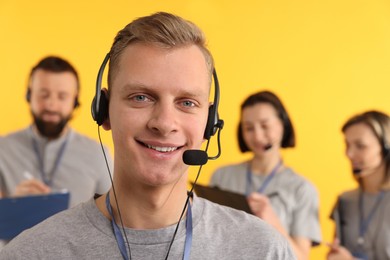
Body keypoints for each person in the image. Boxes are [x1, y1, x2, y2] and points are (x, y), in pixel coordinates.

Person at [0, 12, 295, 259]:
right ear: (104, 111)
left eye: (187, 102)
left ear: (210, 122)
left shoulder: (264, 251)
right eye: (141, 97)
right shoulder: (31, 253)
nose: (165, 123)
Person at [210, 90, 321, 260]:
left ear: (283, 123)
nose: (257, 136)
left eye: (265, 125)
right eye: (248, 128)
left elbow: (301, 258)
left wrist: (273, 222)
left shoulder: (302, 189)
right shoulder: (222, 176)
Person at [0, 56, 112, 207]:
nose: (51, 105)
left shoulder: (99, 154)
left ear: (75, 101)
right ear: (29, 95)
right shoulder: (3, 149)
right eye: (43, 95)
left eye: (62, 96)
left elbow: (115, 218)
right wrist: (11, 205)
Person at [327, 110, 390, 260]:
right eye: (347, 144)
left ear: (386, 148)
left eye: (360, 146)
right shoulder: (345, 201)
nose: (349, 153)